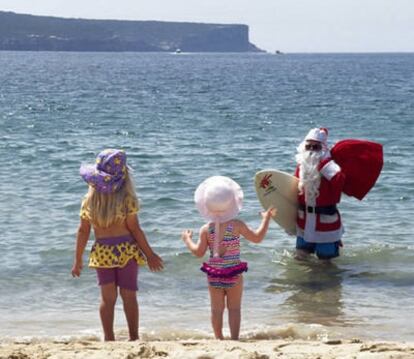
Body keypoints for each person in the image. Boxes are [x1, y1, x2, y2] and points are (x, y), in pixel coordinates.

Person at [71, 149, 163, 341]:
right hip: (126, 251)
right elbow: (135, 230)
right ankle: (133, 337)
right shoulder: (127, 200)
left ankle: (109, 338)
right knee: (129, 296)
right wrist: (150, 254)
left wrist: (77, 259)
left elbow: (83, 232)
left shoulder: (89, 201)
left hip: (102, 252)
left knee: (107, 298)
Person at [181, 176, 276, 340]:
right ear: (232, 203)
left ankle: (218, 339)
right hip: (233, 274)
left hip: (214, 274)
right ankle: (234, 339)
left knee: (216, 310)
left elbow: (198, 252)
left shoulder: (206, 229)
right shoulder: (236, 225)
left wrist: (187, 239)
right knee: (234, 309)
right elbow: (257, 238)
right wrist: (266, 219)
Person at [294, 128, 346, 261]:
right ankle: (300, 281)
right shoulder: (301, 165)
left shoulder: (328, 165)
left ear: (322, 148)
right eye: (308, 146)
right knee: (300, 256)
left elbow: (340, 180)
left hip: (324, 222)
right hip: (304, 220)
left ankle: (327, 282)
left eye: (315, 147)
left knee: (326, 261)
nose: (311, 150)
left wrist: (324, 166)